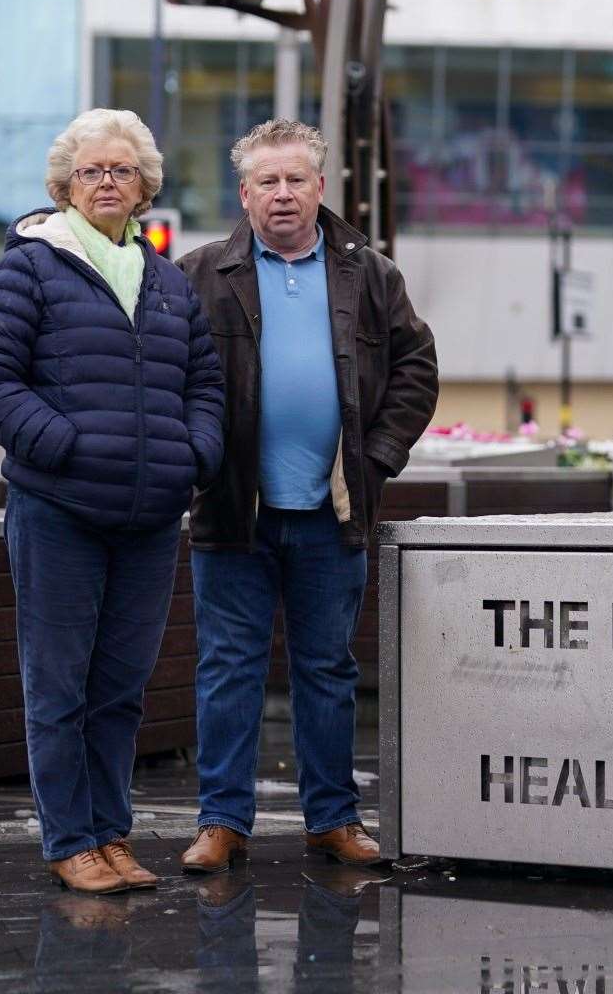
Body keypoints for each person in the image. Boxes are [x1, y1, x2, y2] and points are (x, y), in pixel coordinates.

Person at [0, 108, 224, 894]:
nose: (106, 181)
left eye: (121, 170)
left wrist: (193, 454)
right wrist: (65, 447)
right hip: (60, 513)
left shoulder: (168, 282)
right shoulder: (32, 266)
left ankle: (112, 835)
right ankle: (70, 839)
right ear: (65, 186)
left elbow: (205, 385)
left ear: (145, 187)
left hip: (148, 519)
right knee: (59, 685)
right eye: (91, 171)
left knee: (119, 689)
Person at [175, 118, 438, 873]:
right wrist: (198, 459)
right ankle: (223, 823)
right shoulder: (199, 275)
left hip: (335, 514)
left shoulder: (371, 274)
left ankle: (333, 820)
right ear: (245, 193)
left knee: (328, 672)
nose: (283, 194)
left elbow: (417, 367)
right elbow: (172, 379)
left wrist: (380, 458)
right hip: (235, 510)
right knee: (230, 669)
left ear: (321, 188)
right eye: (268, 181)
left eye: (296, 180)